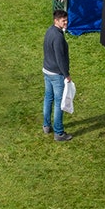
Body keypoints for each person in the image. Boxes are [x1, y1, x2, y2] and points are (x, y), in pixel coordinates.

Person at [42, 9, 72, 141]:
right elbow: (60, 58)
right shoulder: (58, 37)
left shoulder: (50, 30)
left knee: (48, 98)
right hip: (56, 73)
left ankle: (46, 125)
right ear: (56, 21)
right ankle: (59, 132)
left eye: (66, 20)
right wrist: (66, 74)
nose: (65, 22)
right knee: (59, 103)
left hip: (46, 70)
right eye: (63, 21)